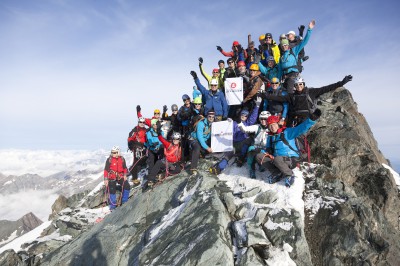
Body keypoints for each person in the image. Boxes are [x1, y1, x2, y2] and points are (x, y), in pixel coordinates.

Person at [255, 110, 321, 187]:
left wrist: (311, 120)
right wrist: (264, 151)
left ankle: (289, 175)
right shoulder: (271, 137)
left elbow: (301, 128)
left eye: (274, 124)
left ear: (278, 124)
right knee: (259, 157)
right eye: (270, 126)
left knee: (277, 159)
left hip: (291, 159)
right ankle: (277, 172)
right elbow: (268, 150)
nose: (272, 127)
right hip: (278, 159)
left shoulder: (287, 132)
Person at [262, 75, 353, 126]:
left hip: (307, 119)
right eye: (296, 85)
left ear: (304, 84)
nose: (298, 86)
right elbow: (279, 98)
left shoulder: (311, 92)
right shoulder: (292, 95)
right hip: (295, 120)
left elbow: (327, 88)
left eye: (300, 84)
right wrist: (266, 96)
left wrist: (341, 83)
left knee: (301, 138)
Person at [278, 20, 315, 94]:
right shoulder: (281, 58)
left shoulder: (294, 51)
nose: (284, 47)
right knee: (282, 93)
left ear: (288, 45)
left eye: (285, 45)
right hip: (285, 76)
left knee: (289, 92)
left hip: (293, 75)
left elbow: (304, 42)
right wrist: (278, 80)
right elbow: (280, 70)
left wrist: (309, 29)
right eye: (282, 46)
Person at [144, 125, 183, 190]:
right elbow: (161, 139)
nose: (175, 140)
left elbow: (180, 157)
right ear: (172, 139)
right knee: (158, 163)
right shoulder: (168, 145)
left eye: (177, 139)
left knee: (178, 169)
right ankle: (150, 180)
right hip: (166, 162)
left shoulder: (180, 147)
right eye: (174, 139)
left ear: (179, 140)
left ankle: (162, 175)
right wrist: (159, 133)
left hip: (174, 163)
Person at [237, 111, 271, 179]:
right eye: (261, 119)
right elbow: (245, 129)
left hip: (266, 149)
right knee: (251, 149)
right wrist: (239, 122)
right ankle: (251, 169)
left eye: (265, 119)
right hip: (256, 146)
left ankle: (261, 165)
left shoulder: (271, 127)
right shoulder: (257, 127)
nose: (263, 121)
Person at [188, 110, 216, 176]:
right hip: (194, 139)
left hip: (204, 140)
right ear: (207, 116)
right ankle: (193, 168)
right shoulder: (201, 124)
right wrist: (207, 147)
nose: (211, 118)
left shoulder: (213, 123)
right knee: (197, 147)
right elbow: (200, 138)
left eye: (212, 117)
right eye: (209, 116)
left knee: (206, 151)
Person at [103, 146, 131, 210]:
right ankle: (113, 206)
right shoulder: (109, 159)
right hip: (111, 176)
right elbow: (106, 170)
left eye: (115, 152)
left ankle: (124, 201)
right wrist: (106, 179)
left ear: (118, 152)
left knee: (127, 186)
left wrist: (125, 175)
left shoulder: (122, 159)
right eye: (112, 152)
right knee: (112, 190)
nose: (113, 154)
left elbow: (125, 168)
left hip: (120, 176)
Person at [127, 117, 148, 186]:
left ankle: (140, 171)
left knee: (143, 158)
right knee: (136, 161)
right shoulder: (135, 129)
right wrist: (131, 145)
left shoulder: (145, 130)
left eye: (143, 122)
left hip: (144, 146)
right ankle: (134, 177)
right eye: (140, 122)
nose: (142, 123)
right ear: (138, 122)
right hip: (136, 146)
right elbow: (130, 138)